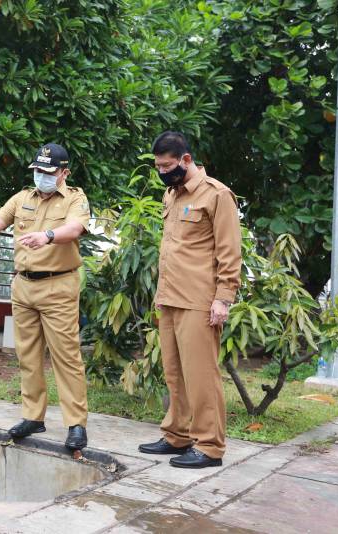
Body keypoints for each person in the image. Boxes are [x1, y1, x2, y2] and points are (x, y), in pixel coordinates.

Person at [0, 143, 91, 450]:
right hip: (23, 287)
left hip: (58, 285)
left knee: (66, 356)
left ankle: (76, 424)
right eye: (37, 171)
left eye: (48, 172)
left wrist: (47, 235)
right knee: (27, 355)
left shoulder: (75, 198)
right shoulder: (22, 198)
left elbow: (75, 229)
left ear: (64, 173)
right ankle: (33, 416)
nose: (41, 177)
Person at [138, 131, 242, 469]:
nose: (162, 172)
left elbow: (229, 251)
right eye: (158, 166)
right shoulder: (172, 195)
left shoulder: (217, 195)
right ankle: (177, 435)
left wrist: (223, 298)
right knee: (174, 373)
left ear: (186, 159)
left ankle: (210, 446)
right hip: (170, 297)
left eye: (167, 165)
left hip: (200, 300)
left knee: (201, 375)